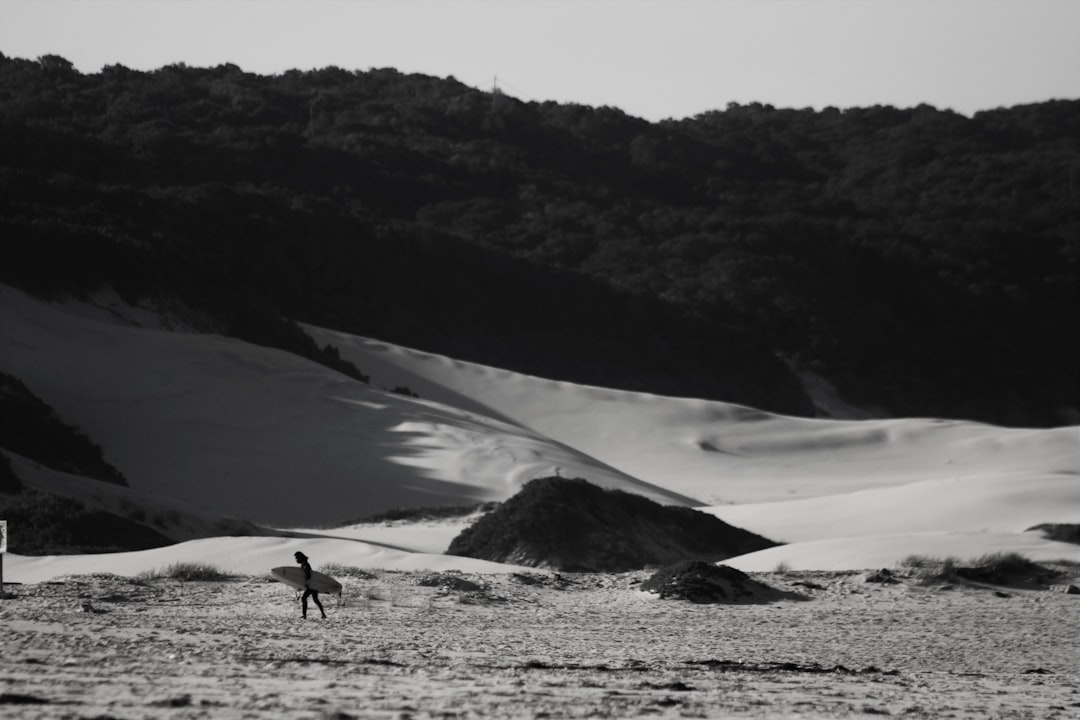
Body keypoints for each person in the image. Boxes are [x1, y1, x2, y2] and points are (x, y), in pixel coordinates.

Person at [294, 551, 327, 619]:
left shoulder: (305, 564)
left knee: (304, 598)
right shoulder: (304, 563)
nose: (296, 559)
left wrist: (305, 584)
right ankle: (323, 614)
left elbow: (308, 575)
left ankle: (305, 615)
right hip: (313, 584)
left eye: (297, 558)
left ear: (300, 557)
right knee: (315, 599)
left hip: (311, 585)